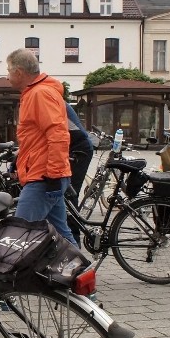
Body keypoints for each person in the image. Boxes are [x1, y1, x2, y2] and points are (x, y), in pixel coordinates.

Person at [5, 48, 76, 244]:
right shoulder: (35, 92)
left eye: (9, 70)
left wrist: (53, 175)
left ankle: (16, 274)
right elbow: (37, 138)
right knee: (61, 233)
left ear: (19, 72)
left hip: (43, 176)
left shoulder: (39, 94)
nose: (7, 76)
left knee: (20, 232)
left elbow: (58, 134)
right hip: (46, 174)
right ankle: (82, 272)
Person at [65, 103, 94, 245]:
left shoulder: (46, 98)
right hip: (71, 146)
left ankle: (74, 239)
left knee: (69, 193)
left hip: (79, 149)